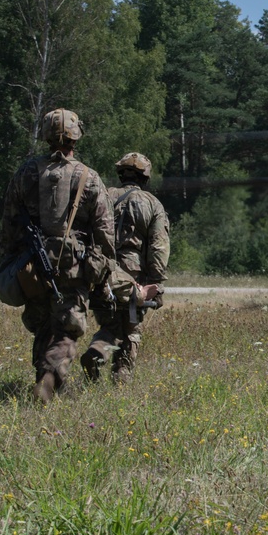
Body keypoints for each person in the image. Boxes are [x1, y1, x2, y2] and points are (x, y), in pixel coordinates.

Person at [1, 108, 116, 403]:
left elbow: (10, 222)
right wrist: (102, 269)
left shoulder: (25, 173)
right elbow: (104, 230)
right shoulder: (89, 177)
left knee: (41, 322)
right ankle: (48, 382)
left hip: (32, 263)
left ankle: (43, 376)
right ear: (76, 136)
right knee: (67, 327)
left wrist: (17, 260)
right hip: (73, 266)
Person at [82, 152, 169, 384]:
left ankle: (97, 352)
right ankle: (122, 376)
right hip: (134, 278)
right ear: (146, 177)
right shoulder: (152, 204)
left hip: (102, 273)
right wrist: (157, 283)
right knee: (131, 328)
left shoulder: (104, 196)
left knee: (109, 324)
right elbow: (158, 248)